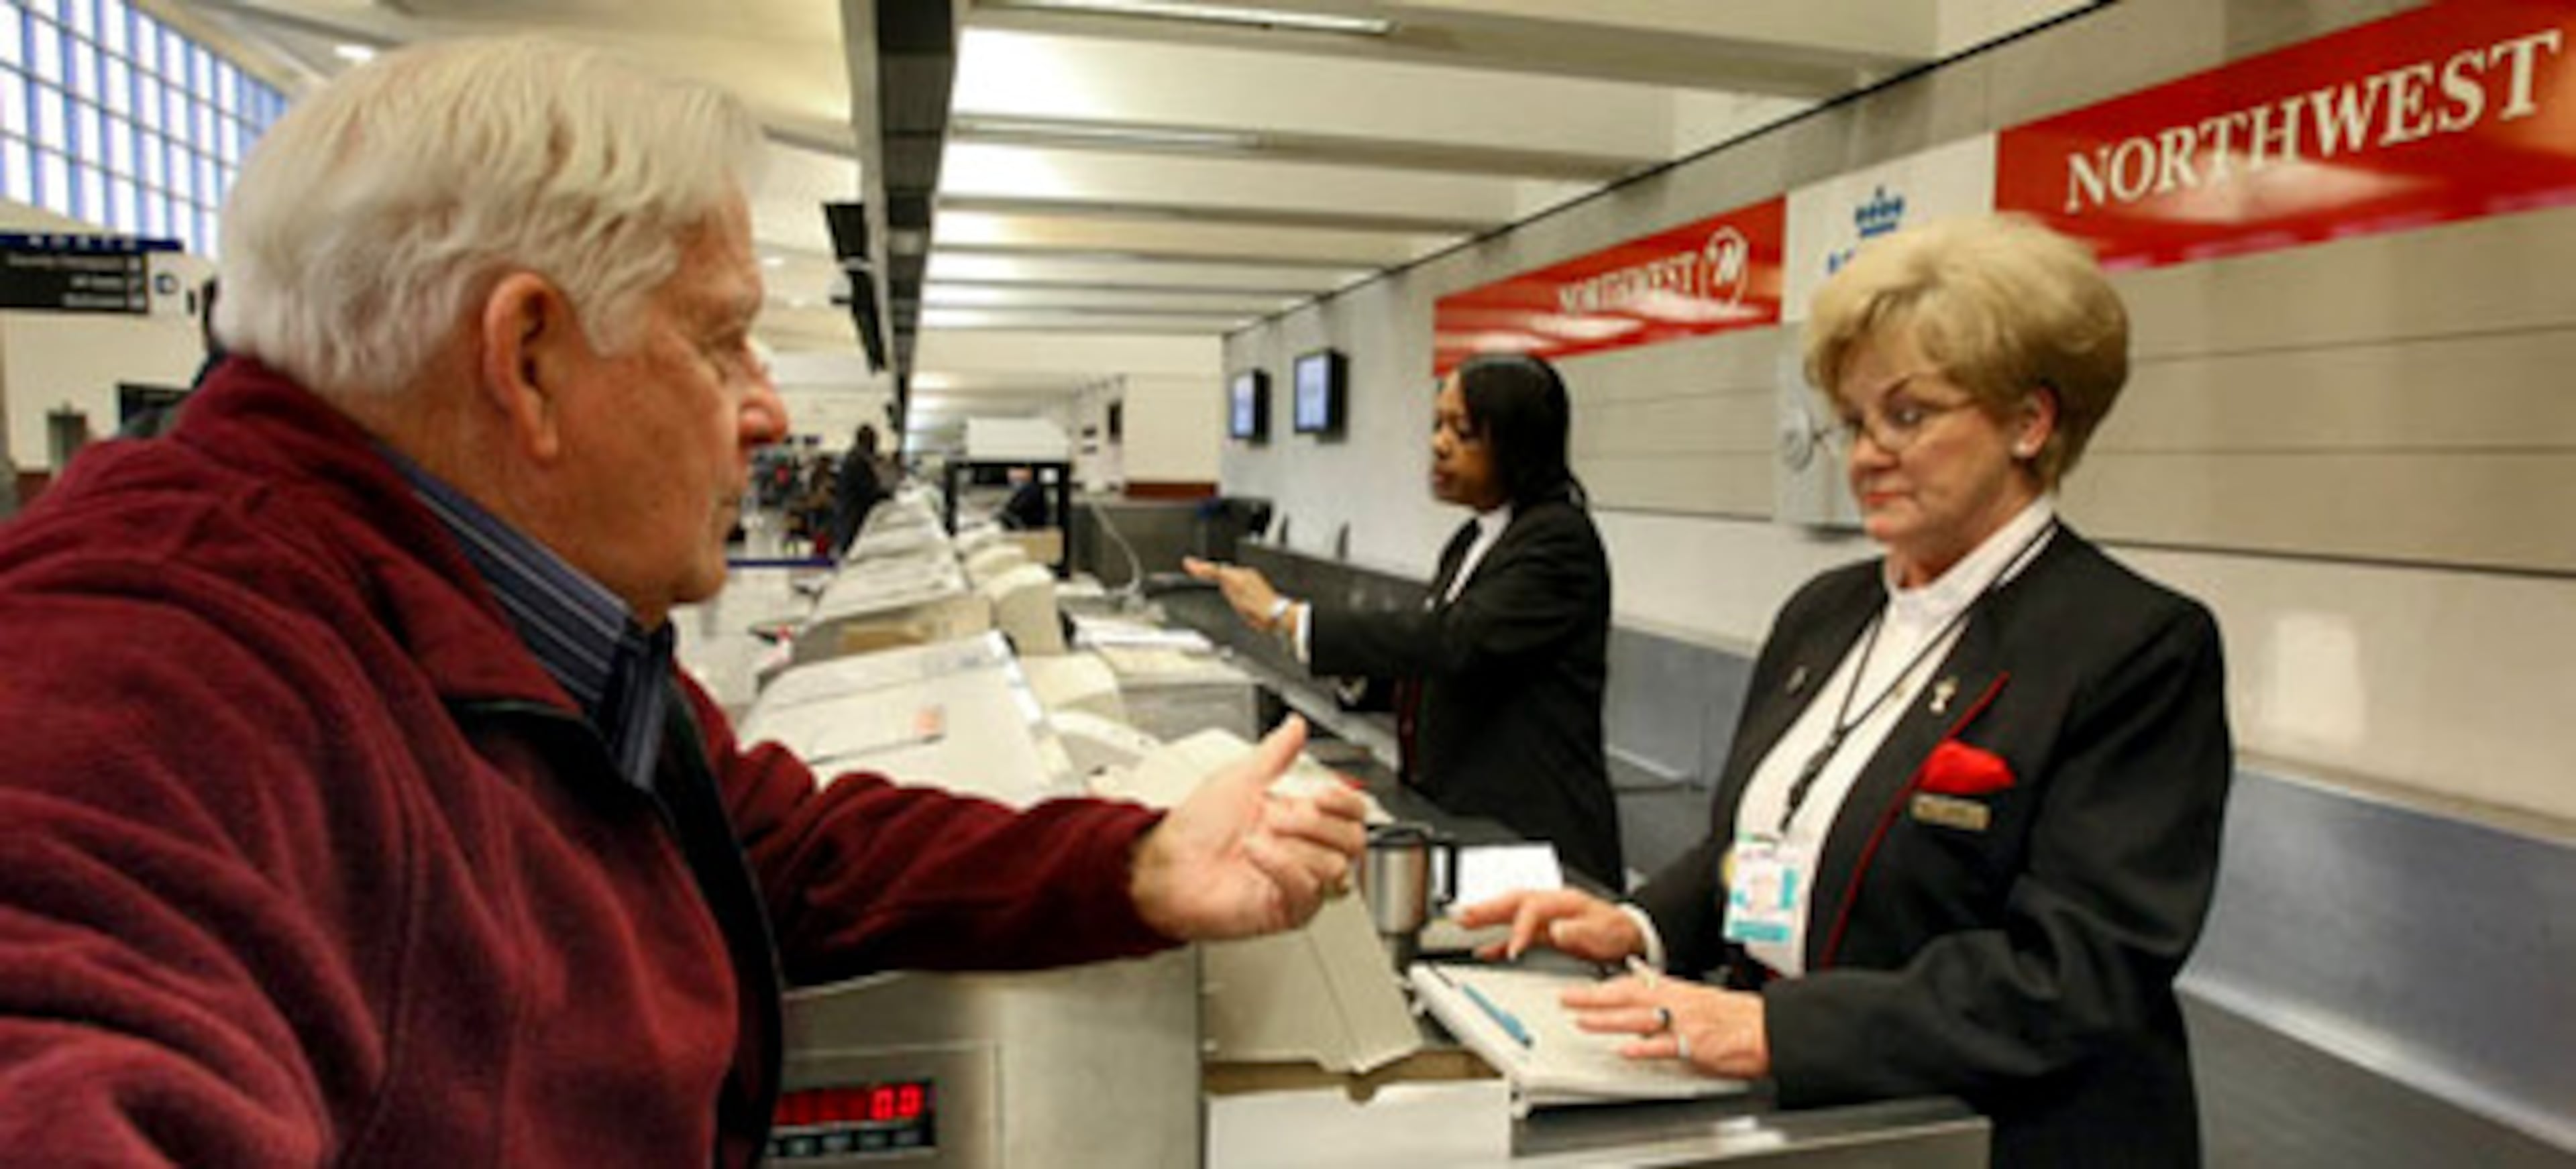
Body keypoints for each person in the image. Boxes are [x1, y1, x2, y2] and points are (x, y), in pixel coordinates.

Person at [0, 40, 1366, 1168]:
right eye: (720, 340)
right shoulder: (151, 664)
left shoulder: (505, 622)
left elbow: (782, 848)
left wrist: (1132, 862)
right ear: (526, 358)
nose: (769, 409)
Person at [1455, 215, 2232, 1168]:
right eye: (1856, 421)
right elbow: (1758, 844)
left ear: (2031, 421)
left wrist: (1779, 1029)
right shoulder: (1826, 612)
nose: (1867, 452)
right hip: (1822, 1119)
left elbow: (2078, 973)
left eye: (1909, 415)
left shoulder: (2130, 643)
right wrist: (1646, 921)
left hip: (2004, 1138)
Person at [1186, 353, 1621, 887]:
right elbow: (1440, 658)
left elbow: (1456, 641)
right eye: (1438, 425)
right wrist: (1361, 674)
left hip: (1534, 837)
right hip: (1468, 820)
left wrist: (1289, 617)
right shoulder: (1472, 539)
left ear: (1518, 442)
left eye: (1463, 431)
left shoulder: (1558, 540)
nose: (1440, 444)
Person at [827, 422, 890, 555]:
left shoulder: (853, 458)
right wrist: (889, 496)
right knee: (852, 552)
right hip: (854, 518)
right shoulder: (858, 462)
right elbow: (868, 491)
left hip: (848, 514)